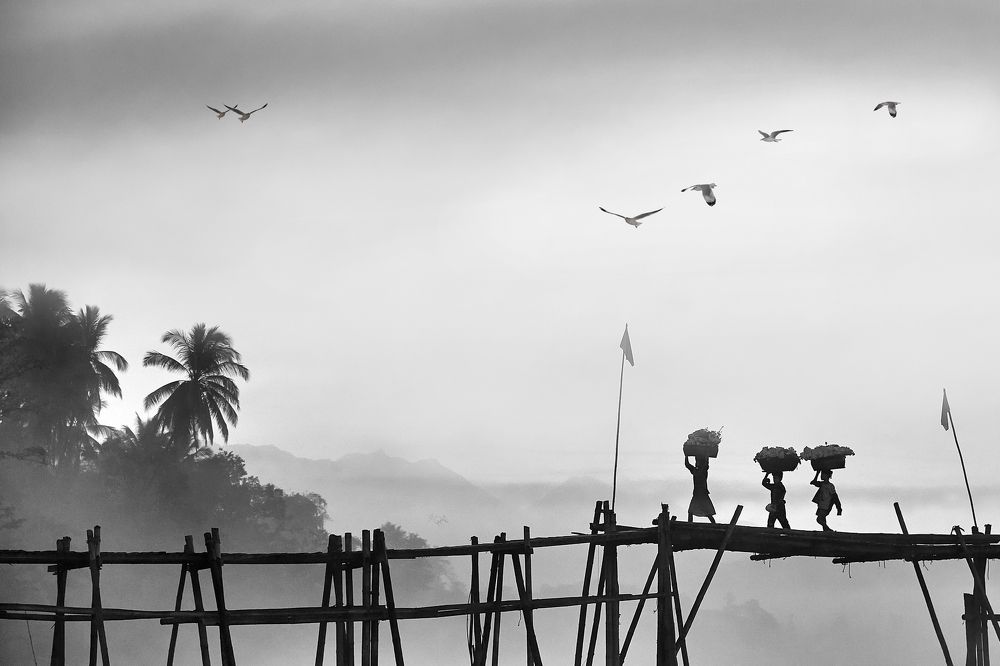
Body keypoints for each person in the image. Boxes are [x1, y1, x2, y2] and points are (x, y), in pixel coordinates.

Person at [685, 454, 716, 523]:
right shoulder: (695, 470)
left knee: (708, 512)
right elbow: (687, 465)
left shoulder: (703, 470)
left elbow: (706, 464)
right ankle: (690, 524)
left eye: (698, 461)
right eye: (697, 461)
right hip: (697, 494)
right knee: (691, 511)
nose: (697, 463)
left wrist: (706, 455)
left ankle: (714, 524)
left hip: (703, 494)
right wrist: (686, 456)